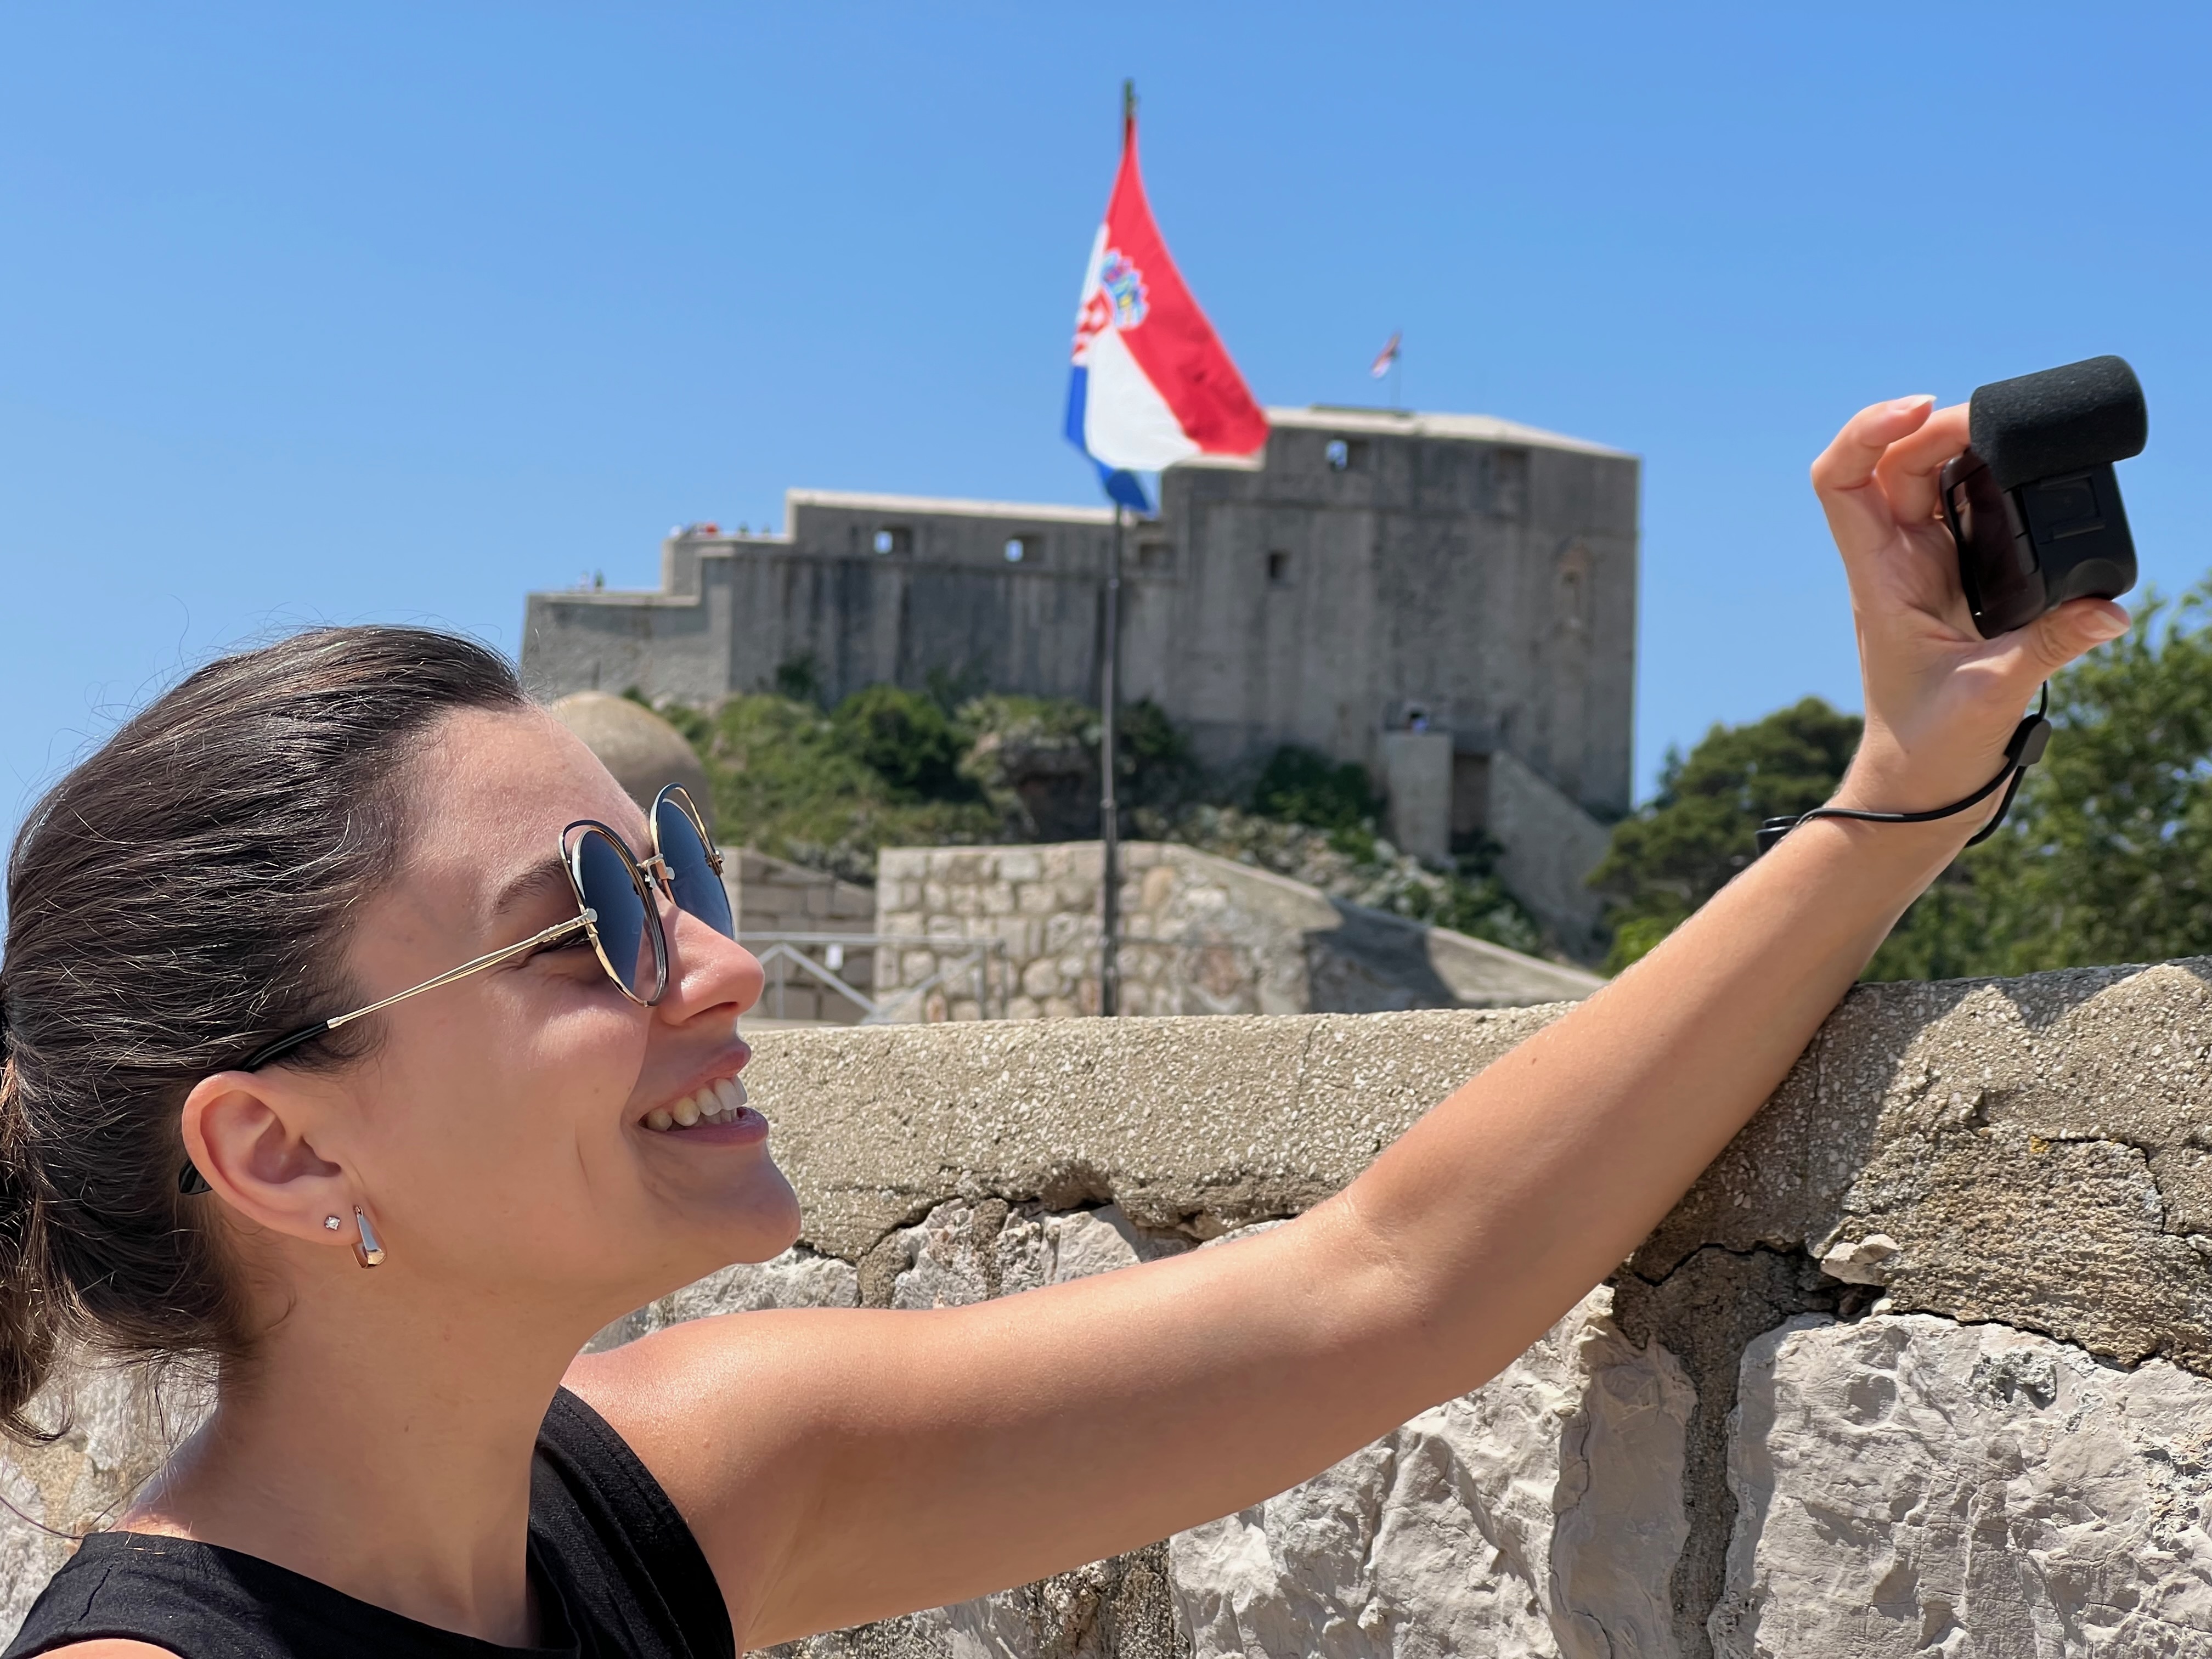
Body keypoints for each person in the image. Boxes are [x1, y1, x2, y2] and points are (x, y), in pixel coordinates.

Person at [0, 395, 2132, 1657]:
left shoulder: (666, 1495)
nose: (723, 970)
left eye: (685, 879)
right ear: (282, 1149)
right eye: (588, 925)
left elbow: (1390, 1282)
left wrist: (1907, 780)